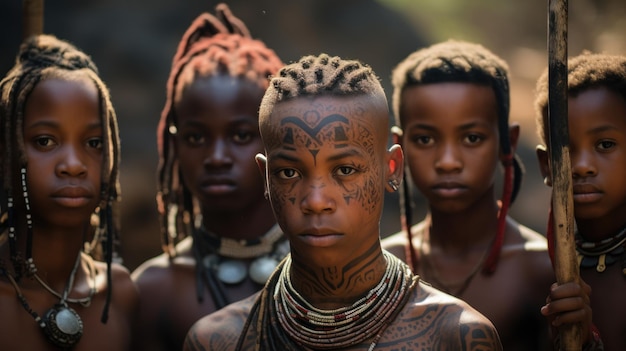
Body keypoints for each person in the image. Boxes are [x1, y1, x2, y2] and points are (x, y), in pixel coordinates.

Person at [183, 53, 502, 351]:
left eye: (345, 170)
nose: (316, 201)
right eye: (290, 172)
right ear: (266, 178)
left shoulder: (456, 336)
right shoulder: (218, 340)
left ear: (391, 169)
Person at [380, 40, 555, 351]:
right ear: (399, 146)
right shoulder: (380, 270)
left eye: (472, 138)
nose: (448, 161)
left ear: (508, 142)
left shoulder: (545, 269)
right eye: (424, 139)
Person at [130, 4, 286, 351]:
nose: (216, 157)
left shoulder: (327, 266)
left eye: (241, 135)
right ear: (173, 145)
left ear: (274, 139)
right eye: (196, 137)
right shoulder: (155, 290)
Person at [0, 34, 138, 350]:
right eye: (45, 141)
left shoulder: (120, 294)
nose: (74, 165)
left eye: (94, 143)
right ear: (6, 155)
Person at [535, 52, 626, 350]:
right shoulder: (544, 272)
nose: (582, 166)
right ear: (546, 164)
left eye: (605, 145)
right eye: (566, 149)